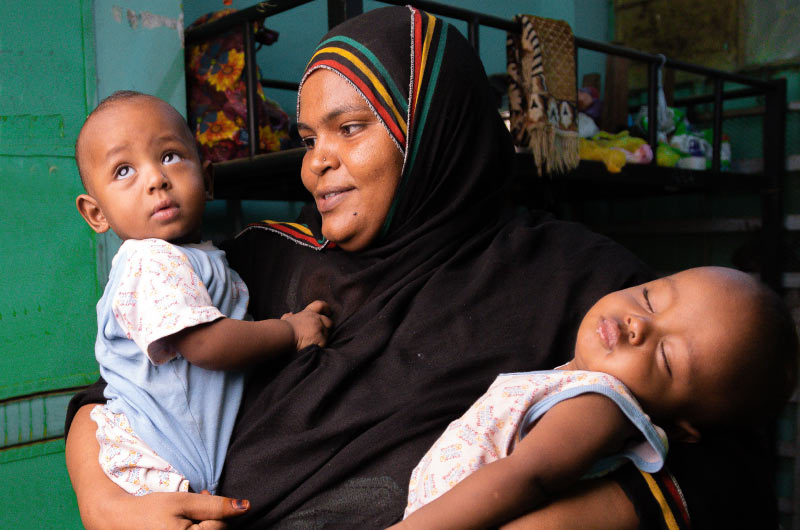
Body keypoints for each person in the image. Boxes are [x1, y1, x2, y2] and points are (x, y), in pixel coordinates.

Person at [64, 6, 785, 528]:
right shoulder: (265, 256)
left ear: (438, 130)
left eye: (352, 129)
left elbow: (738, 452)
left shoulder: (570, 276)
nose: (317, 161)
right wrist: (104, 501)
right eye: (309, 135)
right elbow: (117, 388)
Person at [395, 266, 798, 529]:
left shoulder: (601, 405)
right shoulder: (576, 383)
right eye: (651, 299)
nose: (638, 325)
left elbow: (525, 476)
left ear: (679, 427)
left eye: (665, 358)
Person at [73, 91, 332, 496]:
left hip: (187, 460)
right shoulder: (151, 260)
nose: (156, 179)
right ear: (96, 213)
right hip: (150, 459)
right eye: (124, 170)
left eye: (170, 156)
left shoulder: (198, 256)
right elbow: (206, 344)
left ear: (206, 179)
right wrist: (289, 333)